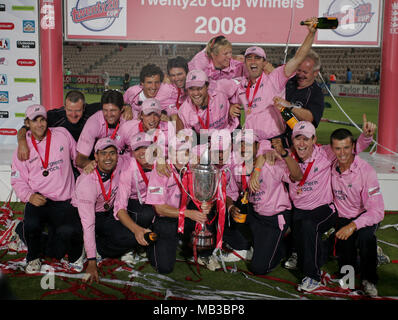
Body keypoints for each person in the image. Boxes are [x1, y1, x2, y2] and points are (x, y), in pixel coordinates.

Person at [251, 116, 376, 292]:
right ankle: (336, 246)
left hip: (324, 209)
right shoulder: (286, 154)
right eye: (297, 138)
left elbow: (354, 148)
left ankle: (313, 277)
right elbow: (264, 148)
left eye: (306, 139)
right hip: (299, 211)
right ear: (292, 140)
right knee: (307, 249)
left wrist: (366, 137)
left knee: (309, 228)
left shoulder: (325, 152)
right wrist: (257, 169)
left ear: (314, 140)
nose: (301, 143)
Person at [10, 104, 83, 274]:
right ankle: (33, 256)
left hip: (63, 199)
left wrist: (87, 173)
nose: (40, 124)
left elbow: (77, 158)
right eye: (35, 121)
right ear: (27, 123)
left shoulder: (62, 134)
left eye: (42, 120)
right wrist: (29, 196)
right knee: (33, 224)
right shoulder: (22, 147)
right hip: (39, 198)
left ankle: (22, 230)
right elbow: (17, 179)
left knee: (58, 249)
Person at [72, 138, 150, 283]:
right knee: (64, 242)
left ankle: (98, 248)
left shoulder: (120, 162)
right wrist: (92, 262)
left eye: (112, 153)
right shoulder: (87, 183)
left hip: (105, 214)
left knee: (133, 237)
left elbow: (138, 156)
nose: (108, 157)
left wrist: (162, 162)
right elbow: (88, 224)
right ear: (95, 156)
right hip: (82, 215)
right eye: (103, 153)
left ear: (117, 155)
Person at [231, 17, 318, 142]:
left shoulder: (275, 78)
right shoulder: (241, 84)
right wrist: (231, 108)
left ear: (264, 62)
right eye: (249, 58)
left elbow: (298, 58)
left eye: (257, 58)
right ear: (245, 63)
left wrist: (311, 33)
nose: (253, 61)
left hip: (274, 140)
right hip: (251, 141)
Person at [226, 132, 303, 274]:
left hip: (274, 218)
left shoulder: (271, 162)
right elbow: (230, 193)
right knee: (223, 212)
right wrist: (230, 207)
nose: (243, 148)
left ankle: (285, 244)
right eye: (240, 144)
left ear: (257, 146)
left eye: (248, 144)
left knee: (259, 268)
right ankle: (248, 245)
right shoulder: (237, 167)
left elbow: (298, 176)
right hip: (255, 216)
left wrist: (284, 155)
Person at [145, 134, 217, 274]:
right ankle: (149, 244)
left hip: (185, 215)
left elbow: (205, 195)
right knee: (164, 267)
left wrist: (207, 205)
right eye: (177, 152)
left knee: (208, 213)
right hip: (166, 218)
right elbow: (159, 209)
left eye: (185, 152)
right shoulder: (161, 170)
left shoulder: (193, 168)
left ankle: (204, 254)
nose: (181, 156)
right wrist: (188, 214)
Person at [330, 128, 384, 297]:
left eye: (346, 148)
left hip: (365, 216)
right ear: (332, 149)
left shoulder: (366, 171)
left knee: (365, 239)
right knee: (346, 257)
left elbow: (377, 211)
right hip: (343, 217)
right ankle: (356, 270)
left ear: (353, 146)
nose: (342, 153)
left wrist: (353, 225)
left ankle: (369, 279)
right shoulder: (330, 163)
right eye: (338, 148)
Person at [16, 90, 132, 161]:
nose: (73, 115)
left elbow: (114, 106)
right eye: (69, 110)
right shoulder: (55, 116)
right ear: (64, 107)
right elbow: (26, 127)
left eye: (78, 110)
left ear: (84, 107)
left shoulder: (92, 110)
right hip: (64, 160)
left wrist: (127, 107)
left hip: (87, 158)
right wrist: (22, 142)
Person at [176, 69, 240, 137]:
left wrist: (233, 103)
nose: (195, 93)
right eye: (191, 89)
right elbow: (183, 138)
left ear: (207, 86)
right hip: (206, 141)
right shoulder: (184, 110)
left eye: (199, 88)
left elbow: (240, 84)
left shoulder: (220, 87)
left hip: (231, 131)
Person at [75, 90, 126, 172]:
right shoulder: (93, 123)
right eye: (105, 110)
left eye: (113, 110)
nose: (109, 115)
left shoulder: (127, 119)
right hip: (99, 168)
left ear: (122, 109)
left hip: (121, 167)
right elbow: (80, 160)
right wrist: (100, 168)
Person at [273, 49, 325, 129]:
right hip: (272, 134)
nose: (300, 75)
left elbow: (310, 118)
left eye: (305, 72)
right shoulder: (288, 82)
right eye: (298, 70)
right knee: (249, 138)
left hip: (295, 139)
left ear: (315, 73)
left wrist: (288, 105)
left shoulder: (316, 93)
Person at [156, 56, 189, 121]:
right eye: (173, 75)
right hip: (168, 122)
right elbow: (152, 103)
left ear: (187, 72)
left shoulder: (191, 85)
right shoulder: (166, 88)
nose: (176, 78)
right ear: (169, 76)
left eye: (179, 74)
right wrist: (161, 114)